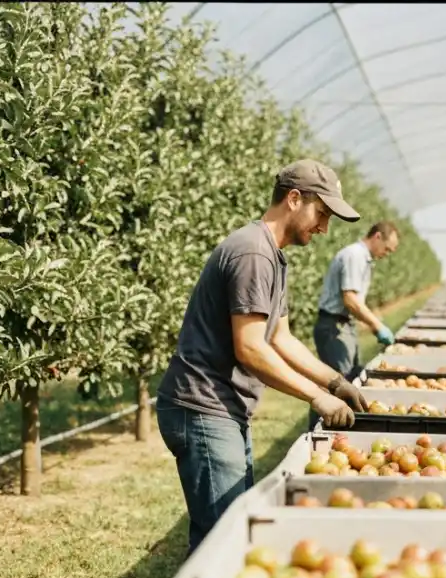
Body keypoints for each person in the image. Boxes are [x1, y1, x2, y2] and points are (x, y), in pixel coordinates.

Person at [156, 159, 372, 556]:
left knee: (224, 529)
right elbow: (252, 347)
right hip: (203, 405)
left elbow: (282, 338)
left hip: (222, 406)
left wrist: (335, 382)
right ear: (294, 199)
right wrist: (315, 397)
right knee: (226, 537)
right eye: (322, 214)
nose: (324, 229)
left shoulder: (273, 256)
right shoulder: (253, 254)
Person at [314, 221, 400, 383]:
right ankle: (323, 408)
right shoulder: (355, 256)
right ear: (377, 236)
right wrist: (377, 326)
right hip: (334, 327)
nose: (386, 254)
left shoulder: (363, 259)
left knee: (351, 376)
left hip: (343, 324)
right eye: (387, 249)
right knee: (339, 382)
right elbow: (350, 299)